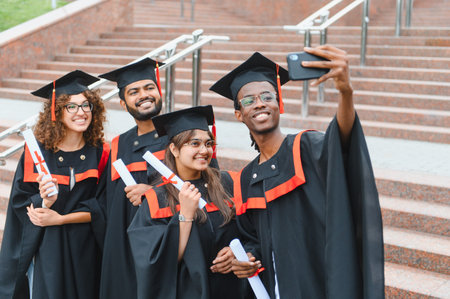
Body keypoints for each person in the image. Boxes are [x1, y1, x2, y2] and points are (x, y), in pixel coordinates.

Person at [209, 46, 385, 298]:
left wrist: (345, 91)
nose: (260, 104)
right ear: (239, 114)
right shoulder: (247, 178)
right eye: (249, 101)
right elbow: (254, 238)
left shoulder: (307, 147)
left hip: (320, 282)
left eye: (268, 97)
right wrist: (248, 257)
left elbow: (342, 140)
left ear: (279, 104)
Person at [0, 70, 110, 299]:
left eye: (86, 105)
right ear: (57, 112)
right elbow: (21, 205)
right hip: (49, 247)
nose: (81, 113)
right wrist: (44, 201)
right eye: (71, 107)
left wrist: (61, 218)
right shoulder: (37, 154)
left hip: (87, 246)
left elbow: (105, 205)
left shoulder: (101, 153)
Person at [127, 105, 254, 299]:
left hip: (233, 289)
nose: (204, 150)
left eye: (208, 143)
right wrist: (185, 215)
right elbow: (156, 264)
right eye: (194, 143)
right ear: (174, 149)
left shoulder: (230, 183)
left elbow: (255, 231)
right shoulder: (157, 199)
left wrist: (240, 252)